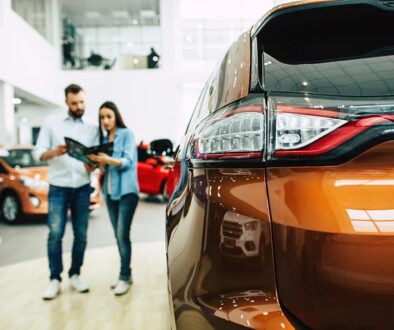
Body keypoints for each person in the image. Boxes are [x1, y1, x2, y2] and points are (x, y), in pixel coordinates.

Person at [34, 84, 99, 300]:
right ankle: (55, 279)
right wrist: (53, 152)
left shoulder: (92, 126)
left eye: (82, 102)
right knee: (55, 234)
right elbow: (38, 153)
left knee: (81, 234)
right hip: (58, 186)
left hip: (82, 186)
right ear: (66, 102)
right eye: (74, 103)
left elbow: (96, 156)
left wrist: (93, 165)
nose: (79, 106)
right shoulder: (51, 123)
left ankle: (75, 274)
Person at [88, 101, 139, 296]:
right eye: (102, 117)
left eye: (109, 116)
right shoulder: (103, 138)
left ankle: (124, 276)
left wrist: (106, 159)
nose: (105, 121)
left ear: (116, 116)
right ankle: (127, 273)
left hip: (126, 193)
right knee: (119, 236)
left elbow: (127, 161)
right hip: (110, 194)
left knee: (122, 235)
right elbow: (106, 168)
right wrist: (97, 163)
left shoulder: (126, 134)